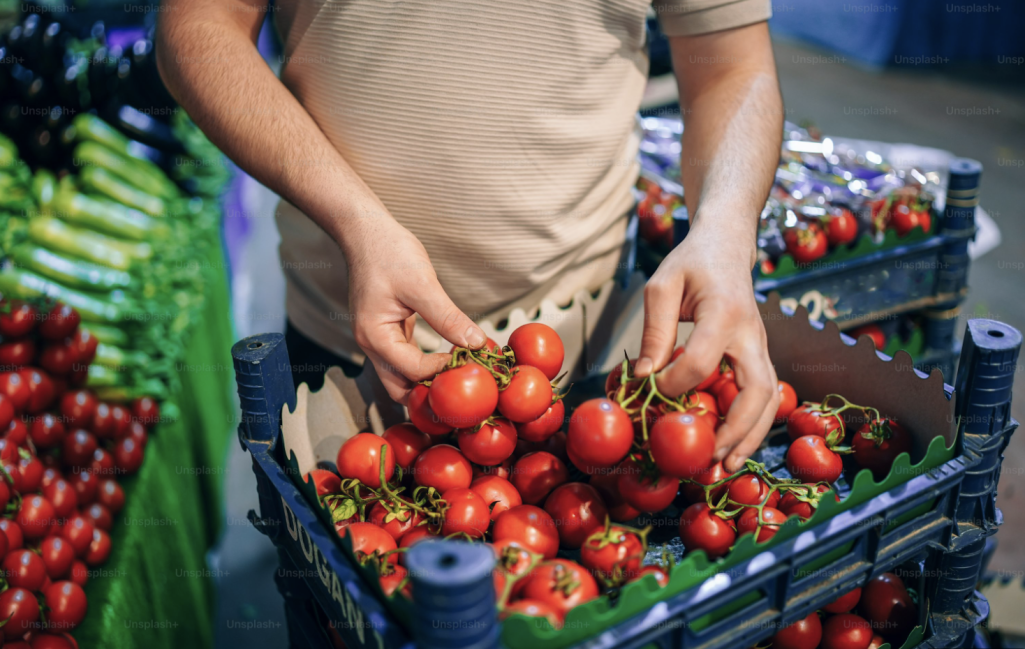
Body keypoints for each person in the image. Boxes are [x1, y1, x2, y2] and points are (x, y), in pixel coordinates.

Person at [156, 0, 784, 472]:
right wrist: (358, 222)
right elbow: (199, 26)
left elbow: (732, 68)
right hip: (345, 340)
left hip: (588, 342)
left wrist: (727, 228)